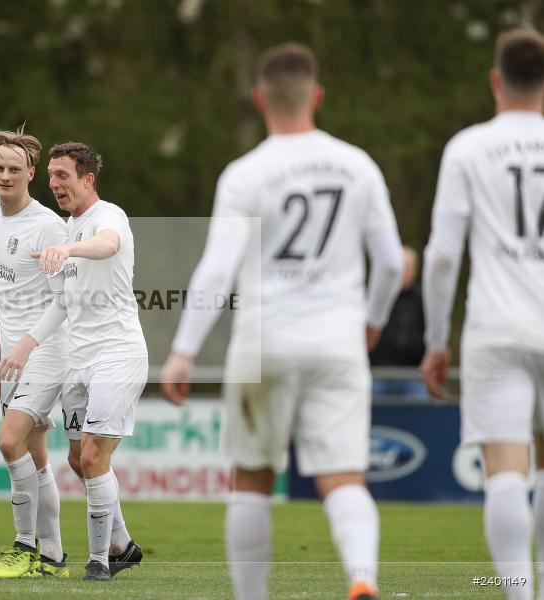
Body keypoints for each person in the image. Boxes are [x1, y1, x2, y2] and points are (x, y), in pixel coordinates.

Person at [160, 43, 403, 600]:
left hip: (263, 343)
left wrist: (184, 349)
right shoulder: (357, 164)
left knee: (251, 480)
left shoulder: (246, 173)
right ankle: (361, 577)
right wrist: (372, 320)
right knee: (343, 479)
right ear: (317, 95)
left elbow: (217, 269)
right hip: (337, 341)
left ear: (259, 98)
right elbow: (390, 261)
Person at [420, 29, 544, 600]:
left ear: (496, 80)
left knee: (505, 470)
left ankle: (521, 594)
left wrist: (436, 338)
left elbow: (443, 255)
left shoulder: (469, 147)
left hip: (496, 327)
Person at [3, 142, 147, 581]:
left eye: (62, 175)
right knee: (75, 460)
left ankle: (101, 561)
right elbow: (62, 304)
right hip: (78, 361)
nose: (53, 183)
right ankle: (124, 544)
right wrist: (26, 345)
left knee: (92, 455)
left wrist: (70, 251)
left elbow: (107, 245)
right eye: (50, 175)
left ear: (88, 179)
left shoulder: (107, 216)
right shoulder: (67, 228)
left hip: (117, 353)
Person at [0, 126, 69, 578]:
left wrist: (29, 344)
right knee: (37, 455)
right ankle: (53, 557)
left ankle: (24, 547)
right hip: (14, 352)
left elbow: (65, 297)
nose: (5, 176)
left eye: (14, 169)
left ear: (31, 172)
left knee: (9, 441)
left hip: (45, 350)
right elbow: (20, 280)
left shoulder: (48, 225)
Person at [369, 245, 426, 399]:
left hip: (413, 376)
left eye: (408, 267)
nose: (403, 271)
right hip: (379, 374)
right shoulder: (378, 297)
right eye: (401, 266)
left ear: (415, 269)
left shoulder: (424, 299)